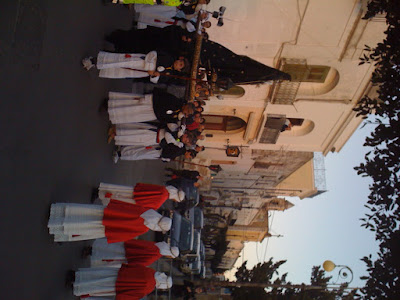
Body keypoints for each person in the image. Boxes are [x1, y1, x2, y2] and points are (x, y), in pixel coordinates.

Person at [48, 201, 171, 243]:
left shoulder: (149, 212)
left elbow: (127, 207)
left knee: (83, 212)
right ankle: (57, 226)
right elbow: (125, 234)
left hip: (110, 212)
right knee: (83, 226)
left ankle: (60, 211)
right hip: (109, 227)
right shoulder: (144, 228)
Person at [73, 263, 172, 299]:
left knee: (98, 274)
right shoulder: (149, 287)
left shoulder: (151, 271)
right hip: (118, 286)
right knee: (97, 286)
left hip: (119, 273)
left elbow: (136, 266)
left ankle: (77, 275)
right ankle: (78, 285)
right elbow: (134, 294)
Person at [82, 51, 189, 82]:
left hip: (140, 72)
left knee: (119, 70)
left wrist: (154, 75)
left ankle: (97, 66)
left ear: (179, 69)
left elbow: (158, 79)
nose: (178, 63)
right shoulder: (168, 57)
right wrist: (150, 66)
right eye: (180, 61)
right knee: (118, 62)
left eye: (180, 65)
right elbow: (154, 53)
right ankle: (93, 60)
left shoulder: (169, 74)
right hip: (140, 62)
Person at [107, 89, 192, 125]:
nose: (185, 113)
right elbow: (162, 97)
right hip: (151, 104)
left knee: (132, 115)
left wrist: (176, 119)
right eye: (187, 111)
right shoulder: (176, 101)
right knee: (131, 105)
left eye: (187, 113)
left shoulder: (178, 113)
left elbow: (166, 119)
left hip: (152, 113)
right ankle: (112, 105)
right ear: (186, 106)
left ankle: (113, 115)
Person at [88, 238, 179, 267]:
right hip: (130, 254)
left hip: (132, 245)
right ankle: (91, 252)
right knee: (109, 254)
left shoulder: (159, 245)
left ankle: (92, 247)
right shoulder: (157, 254)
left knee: (110, 246)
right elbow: (142, 262)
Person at [96, 182, 185, 207]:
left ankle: (102, 188)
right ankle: (101, 195)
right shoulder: (161, 201)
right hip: (137, 200)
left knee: (119, 189)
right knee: (118, 199)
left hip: (138, 191)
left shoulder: (163, 189)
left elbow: (149, 186)